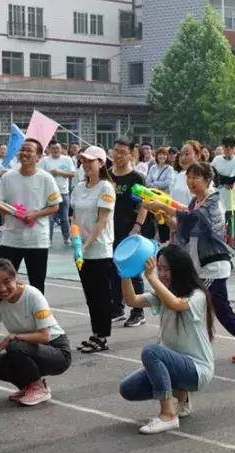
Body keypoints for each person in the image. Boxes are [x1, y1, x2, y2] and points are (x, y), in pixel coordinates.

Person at [149, 162, 235, 363]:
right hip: (199, 266)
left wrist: (165, 206)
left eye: (196, 177)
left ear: (208, 180)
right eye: (189, 177)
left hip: (213, 266)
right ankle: (188, 348)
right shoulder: (194, 202)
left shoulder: (213, 201)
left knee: (219, 310)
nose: (191, 181)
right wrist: (168, 217)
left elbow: (197, 220)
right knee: (200, 309)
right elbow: (185, 228)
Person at [118, 245, 216, 433]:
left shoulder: (197, 295)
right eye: (159, 268)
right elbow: (132, 300)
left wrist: (151, 277)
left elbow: (176, 304)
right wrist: (125, 273)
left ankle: (168, 414)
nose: (161, 273)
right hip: (175, 366)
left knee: (151, 351)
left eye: (166, 269)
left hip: (197, 370)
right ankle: (182, 396)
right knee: (127, 389)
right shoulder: (161, 294)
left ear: (179, 269)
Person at [0, 259, 71, 406]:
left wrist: (14, 336)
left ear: (15, 278)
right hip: (28, 349)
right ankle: (29, 386)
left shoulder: (32, 295)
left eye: (6, 281)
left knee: (15, 346)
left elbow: (45, 336)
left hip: (57, 351)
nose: (2, 288)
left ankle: (38, 388)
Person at [0, 138, 61, 295]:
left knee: (37, 284)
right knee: (1, 280)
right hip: (11, 239)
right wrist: (13, 213)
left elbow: (55, 205)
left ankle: (38, 317)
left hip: (36, 240)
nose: (24, 153)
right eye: (22, 149)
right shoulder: (8, 177)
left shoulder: (46, 178)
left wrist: (35, 214)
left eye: (29, 150)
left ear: (38, 156)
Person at [70, 146, 118, 354]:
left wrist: (85, 245)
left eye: (91, 161)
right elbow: (74, 217)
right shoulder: (79, 187)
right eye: (84, 161)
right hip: (81, 249)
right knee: (90, 295)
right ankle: (95, 332)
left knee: (100, 295)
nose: (87, 165)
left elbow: (101, 221)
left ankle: (102, 335)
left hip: (99, 250)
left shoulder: (106, 188)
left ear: (101, 163)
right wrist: (75, 241)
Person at [106, 140, 152, 327]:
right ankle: (117, 308)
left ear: (132, 154)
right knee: (113, 270)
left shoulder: (136, 178)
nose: (118, 155)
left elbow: (144, 204)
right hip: (110, 230)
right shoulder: (107, 176)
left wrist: (137, 225)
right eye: (115, 151)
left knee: (132, 271)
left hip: (130, 229)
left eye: (122, 152)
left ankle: (138, 311)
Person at [40, 140, 76, 246]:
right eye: (53, 148)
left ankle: (67, 238)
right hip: (49, 193)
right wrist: (50, 174)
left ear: (61, 149)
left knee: (64, 217)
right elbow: (40, 174)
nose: (56, 150)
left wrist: (59, 172)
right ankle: (48, 239)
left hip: (63, 192)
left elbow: (72, 174)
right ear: (49, 149)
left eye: (58, 148)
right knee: (49, 218)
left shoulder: (67, 159)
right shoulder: (44, 160)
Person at [212, 136, 235, 245]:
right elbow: (212, 175)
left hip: (231, 198)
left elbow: (231, 180)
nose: (228, 150)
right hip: (217, 197)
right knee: (217, 225)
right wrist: (221, 180)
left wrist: (220, 178)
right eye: (226, 147)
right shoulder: (217, 159)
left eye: (231, 147)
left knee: (231, 226)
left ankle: (232, 245)